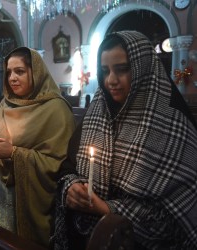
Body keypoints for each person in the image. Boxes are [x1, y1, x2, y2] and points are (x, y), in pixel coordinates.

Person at [52, 31, 197, 249]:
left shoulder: (171, 125)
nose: (111, 80)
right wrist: (72, 187)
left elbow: (175, 218)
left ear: (143, 69)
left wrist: (109, 210)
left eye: (122, 69)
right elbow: (68, 167)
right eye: (105, 71)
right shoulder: (96, 114)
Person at [0, 47, 76, 247]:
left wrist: (14, 153)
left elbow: (60, 166)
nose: (12, 78)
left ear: (37, 72)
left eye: (20, 71)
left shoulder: (56, 109)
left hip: (38, 201)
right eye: (8, 72)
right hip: (4, 196)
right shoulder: (5, 106)